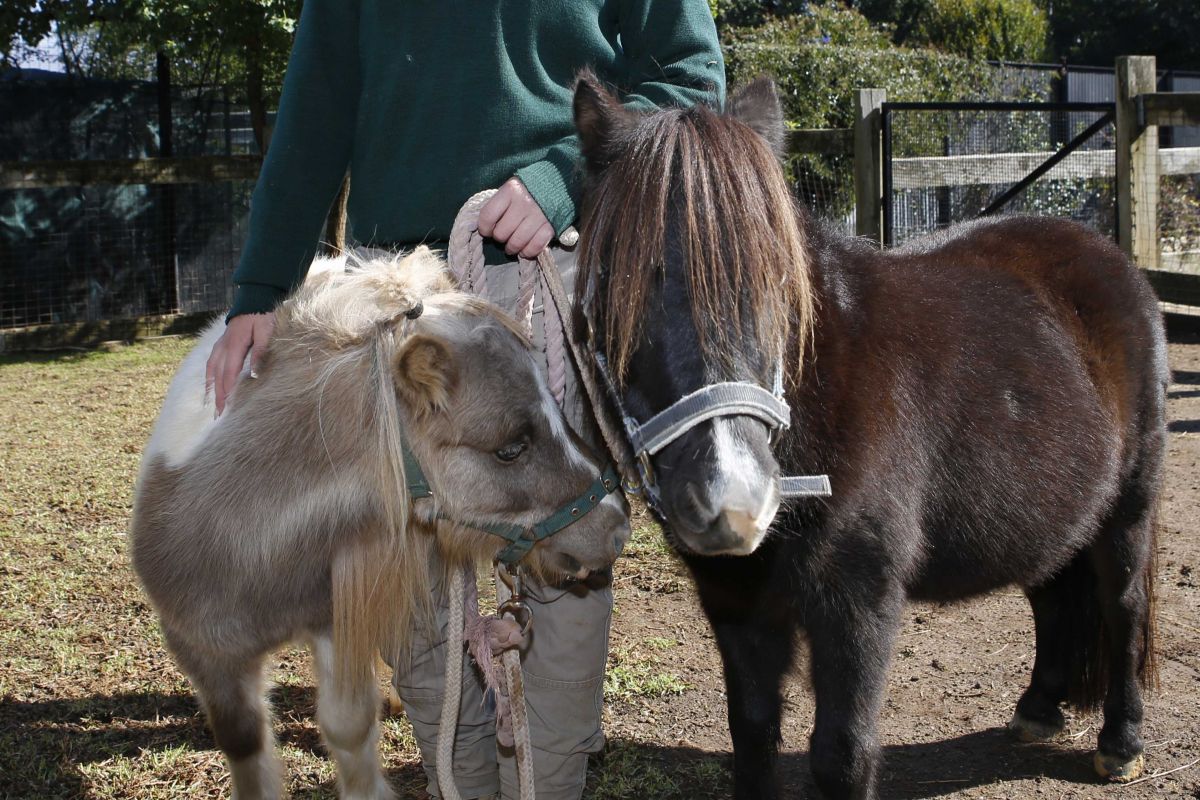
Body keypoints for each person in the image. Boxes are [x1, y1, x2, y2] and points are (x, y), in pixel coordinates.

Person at [203, 3, 725, 798]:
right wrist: (260, 287)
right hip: (392, 299)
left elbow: (691, 78)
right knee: (402, 574)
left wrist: (563, 176)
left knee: (563, 550)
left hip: (546, 270)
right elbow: (317, 104)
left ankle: (550, 788)